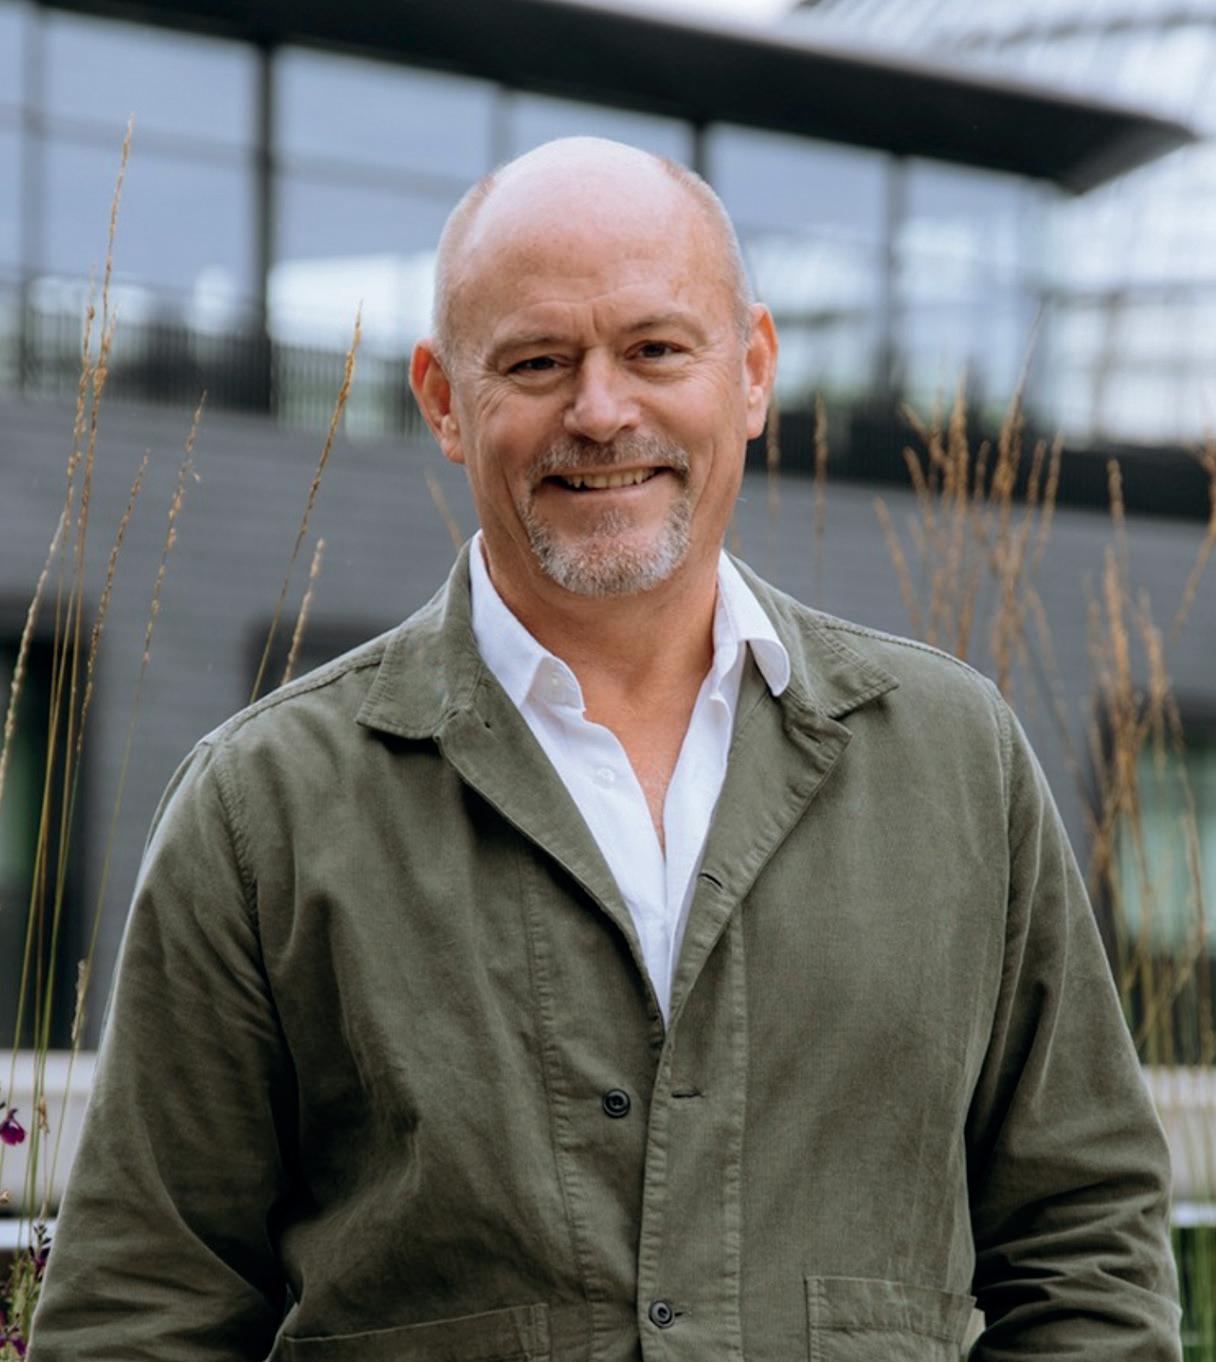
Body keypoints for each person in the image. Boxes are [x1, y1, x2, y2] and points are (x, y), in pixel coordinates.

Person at [30, 137, 1182, 1361]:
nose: (599, 411)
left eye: (655, 350)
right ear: (442, 400)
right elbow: (140, 1314)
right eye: (537, 362)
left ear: (751, 372)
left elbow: (1087, 1248)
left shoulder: (954, 760)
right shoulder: (264, 807)